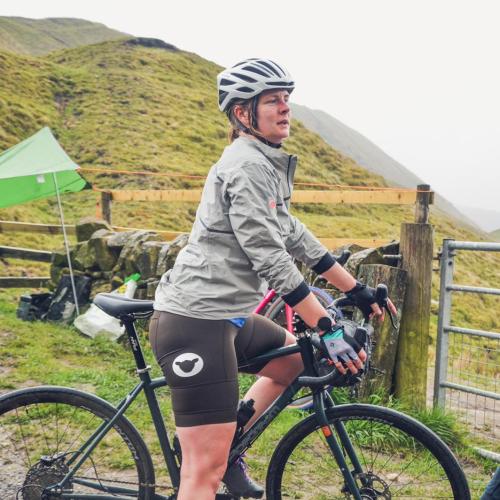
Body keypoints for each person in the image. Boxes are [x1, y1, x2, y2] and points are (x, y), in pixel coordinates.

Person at [150, 57, 397, 499]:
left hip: (229, 315)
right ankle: (214, 455)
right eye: (272, 101)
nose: (285, 108)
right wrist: (326, 324)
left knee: (293, 360)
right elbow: (268, 256)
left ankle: (231, 439)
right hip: (195, 321)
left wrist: (354, 289)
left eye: (287, 99)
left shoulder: (264, 162)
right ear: (244, 113)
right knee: (200, 475)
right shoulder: (245, 166)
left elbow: (295, 236)